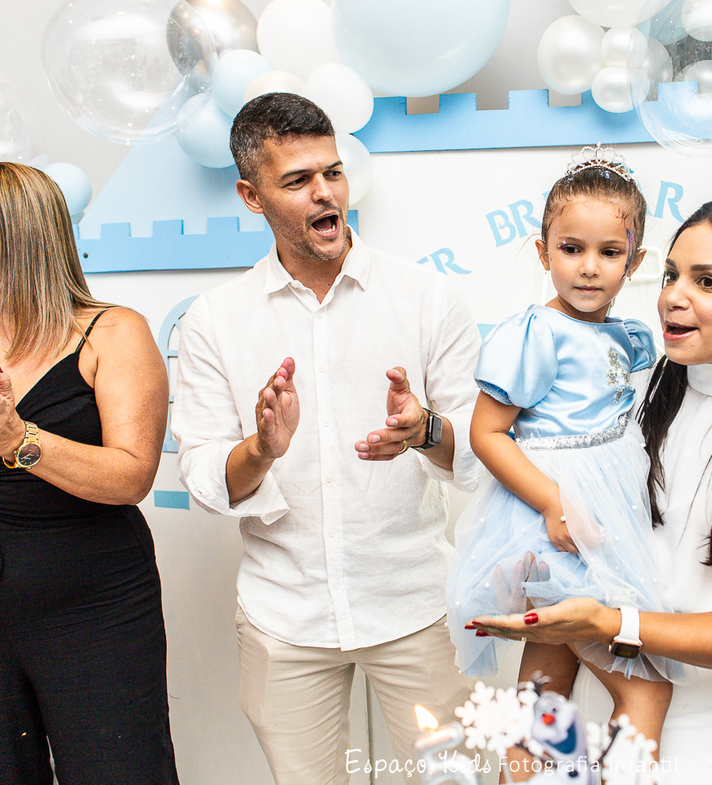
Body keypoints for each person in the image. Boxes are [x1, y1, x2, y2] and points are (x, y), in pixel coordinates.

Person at [472, 197, 712, 784]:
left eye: (706, 282)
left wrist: (616, 625)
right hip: (577, 716)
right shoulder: (648, 391)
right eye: (670, 275)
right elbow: (524, 450)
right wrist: (427, 434)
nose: (673, 297)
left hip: (693, 746)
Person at [171, 92, 483, 785]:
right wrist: (261, 449)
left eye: (333, 172)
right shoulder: (215, 320)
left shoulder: (427, 298)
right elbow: (203, 475)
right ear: (251, 196)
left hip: (416, 605)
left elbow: (479, 454)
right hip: (284, 616)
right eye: (298, 180)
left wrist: (425, 430)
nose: (325, 193)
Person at [0, 161, 174, 783]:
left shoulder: (114, 332)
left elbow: (132, 476)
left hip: (95, 607)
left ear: (19, 227)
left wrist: (20, 441)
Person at [446, 147, 682, 758]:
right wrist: (554, 503)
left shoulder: (624, 336)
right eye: (571, 249)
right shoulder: (536, 333)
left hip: (607, 510)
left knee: (543, 688)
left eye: (610, 253)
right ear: (543, 251)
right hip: (552, 522)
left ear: (635, 261)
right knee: (646, 689)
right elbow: (487, 434)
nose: (589, 268)